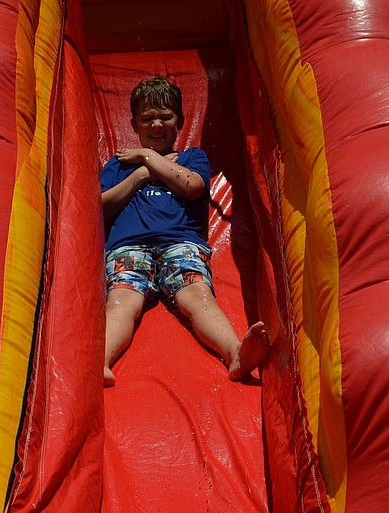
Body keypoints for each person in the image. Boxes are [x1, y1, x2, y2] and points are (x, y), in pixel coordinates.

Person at [101, 77, 270, 387]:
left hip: (181, 243)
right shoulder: (120, 165)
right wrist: (139, 175)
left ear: (179, 121)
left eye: (165, 116)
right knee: (123, 301)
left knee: (198, 296)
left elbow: (192, 187)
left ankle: (236, 354)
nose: (157, 124)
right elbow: (101, 206)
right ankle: (102, 360)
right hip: (129, 246)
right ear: (134, 124)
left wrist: (149, 157)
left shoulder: (193, 158)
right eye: (147, 118)